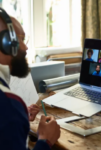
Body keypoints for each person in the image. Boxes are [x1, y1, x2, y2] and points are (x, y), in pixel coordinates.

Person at [0, 9, 60, 150]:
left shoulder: (10, 109)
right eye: (20, 39)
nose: (25, 47)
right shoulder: (9, 104)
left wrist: (19, 118)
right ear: (6, 42)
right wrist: (45, 140)